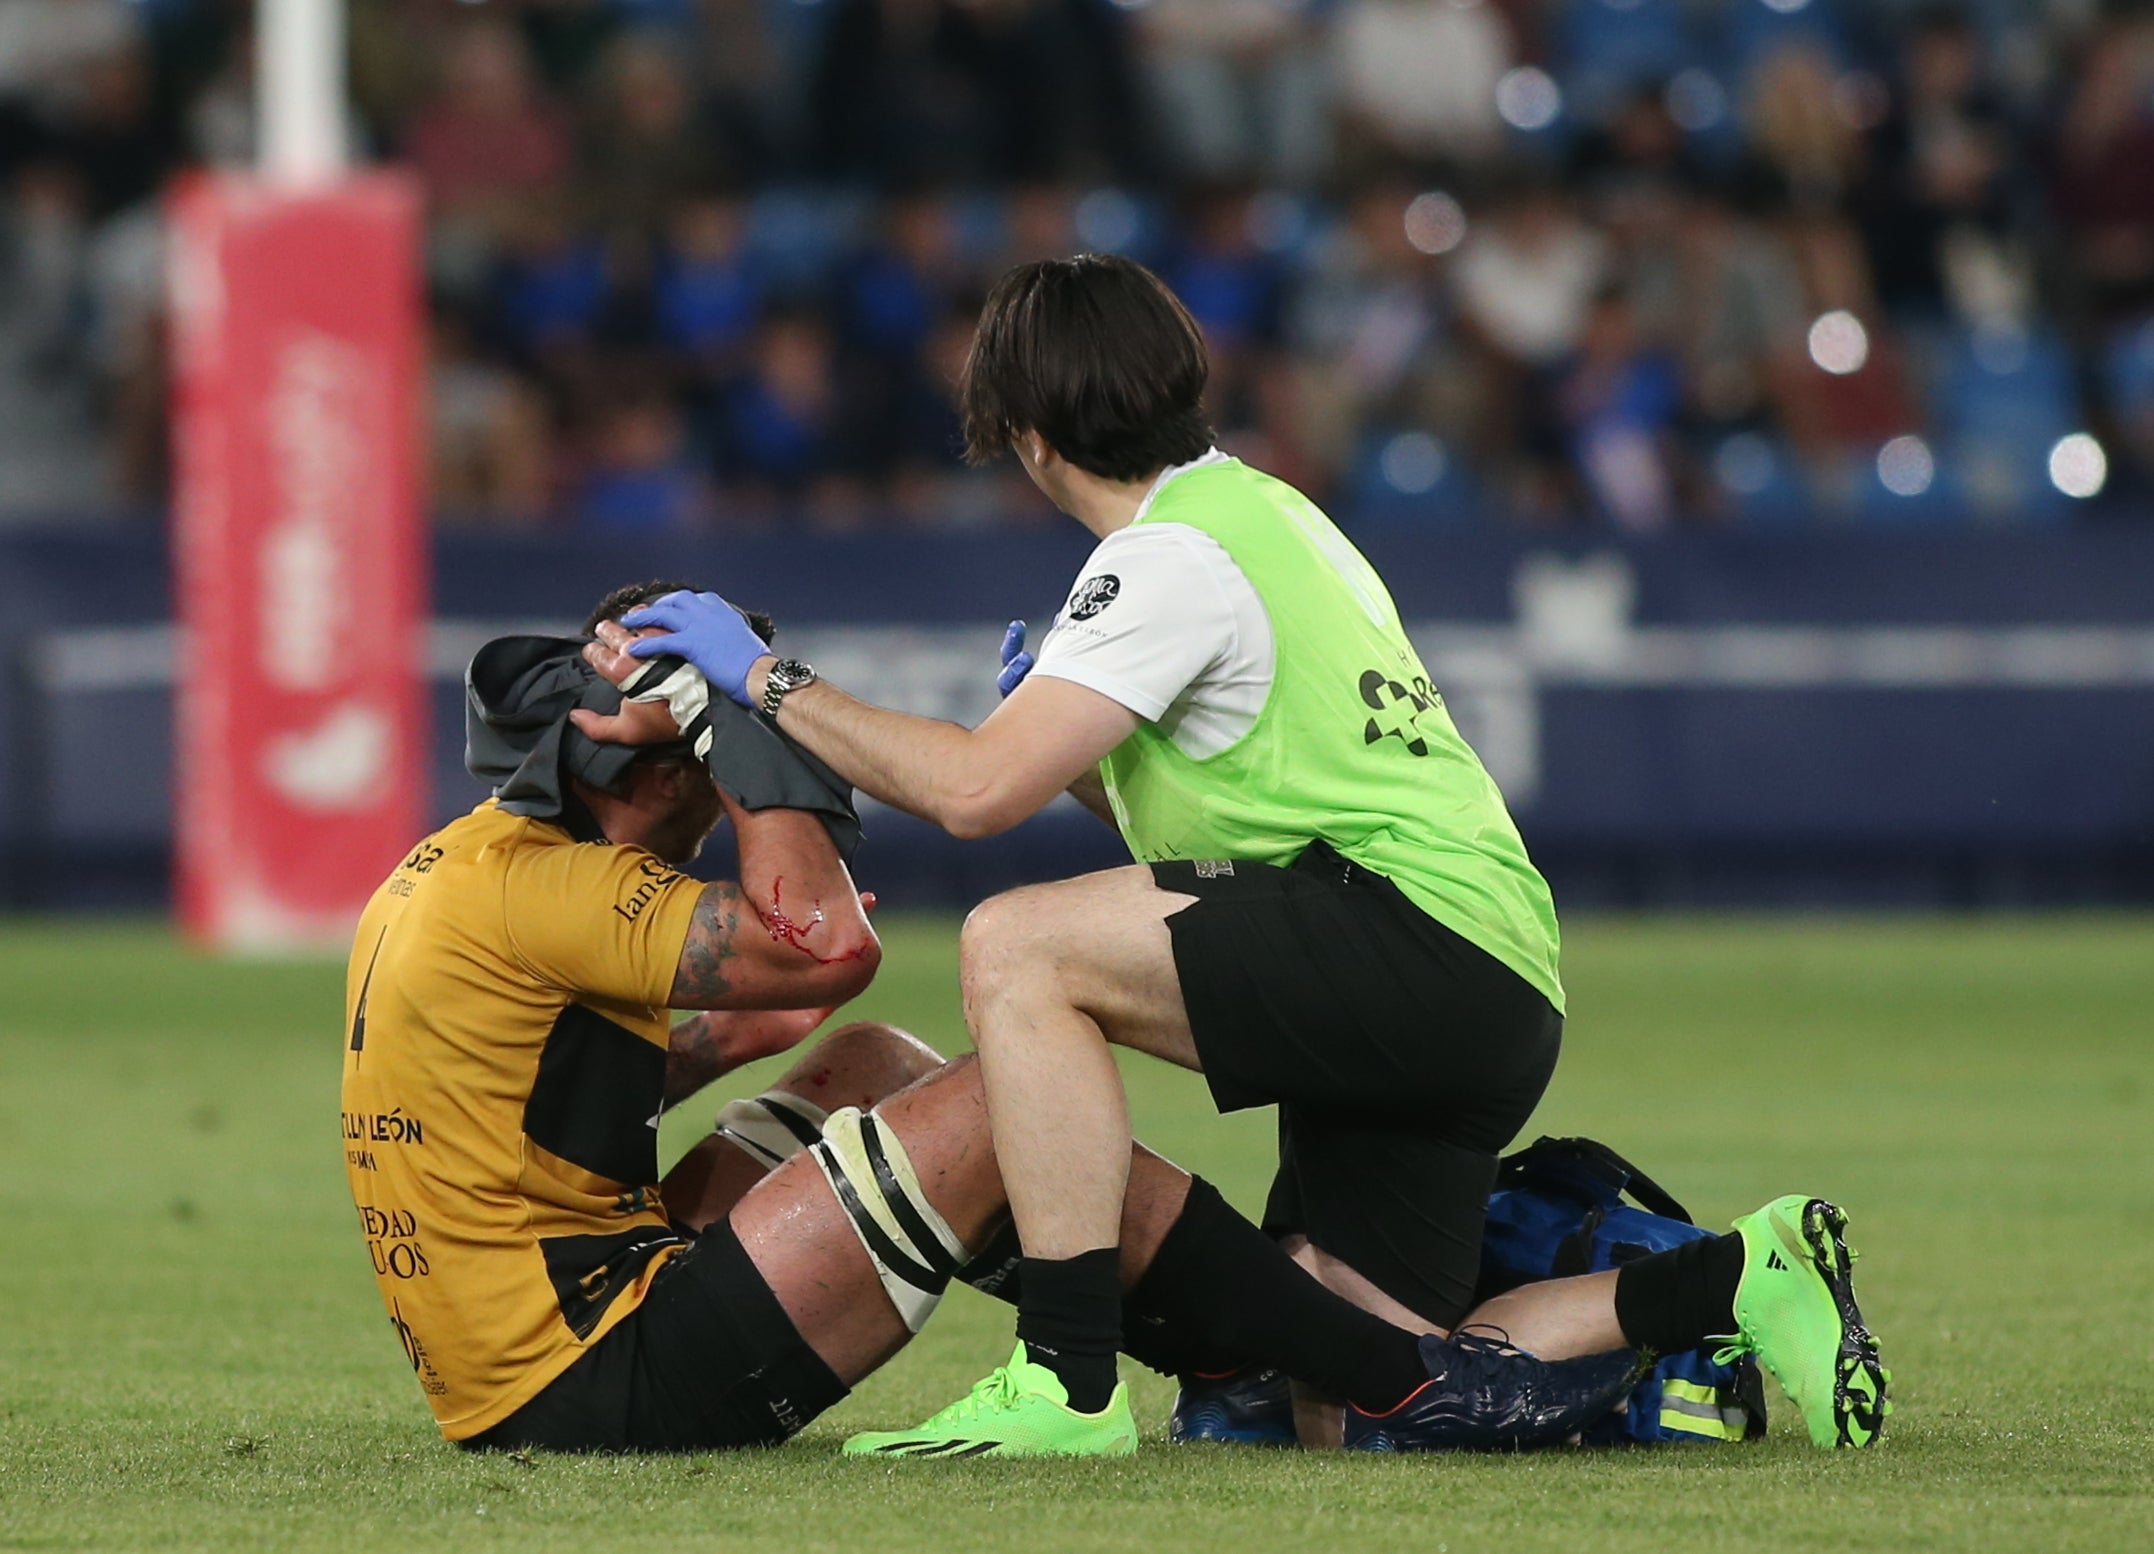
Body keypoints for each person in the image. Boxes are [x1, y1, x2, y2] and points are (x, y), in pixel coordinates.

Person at [573, 256, 1890, 1456]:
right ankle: (1733, 1276)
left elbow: (974, 794)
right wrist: (1097, 770)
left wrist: (761, 674)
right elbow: (1216, 850)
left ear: (1027, 438)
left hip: (1413, 942)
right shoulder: (1262, 516)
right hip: (1465, 968)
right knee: (1351, 1379)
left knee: (1013, 943)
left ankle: (1066, 1383)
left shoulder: (1164, 559)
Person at [342, 580, 1648, 1456]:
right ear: (685, 757)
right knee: (989, 1100)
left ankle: (1246, 1356)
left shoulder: (468, 868)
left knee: (870, 1068)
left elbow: (670, 1052)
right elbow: (826, 942)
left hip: (518, 1349)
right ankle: (1401, 1378)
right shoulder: (568, 891)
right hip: (592, 1369)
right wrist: (757, 744)